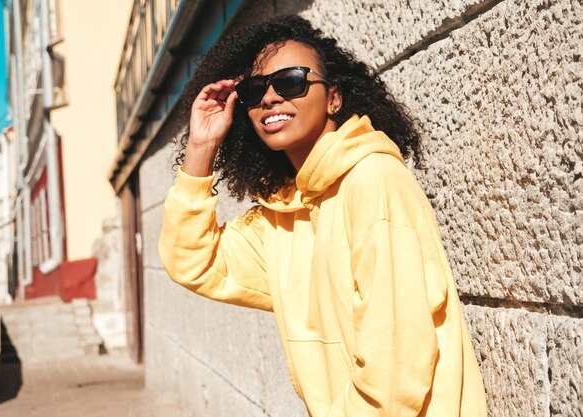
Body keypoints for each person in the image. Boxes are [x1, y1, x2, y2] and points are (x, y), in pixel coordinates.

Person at [159, 15, 487, 417]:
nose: (270, 98)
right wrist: (201, 147)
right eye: (255, 89)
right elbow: (192, 261)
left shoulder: (372, 180)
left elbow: (395, 366)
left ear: (334, 98)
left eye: (292, 81)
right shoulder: (284, 213)